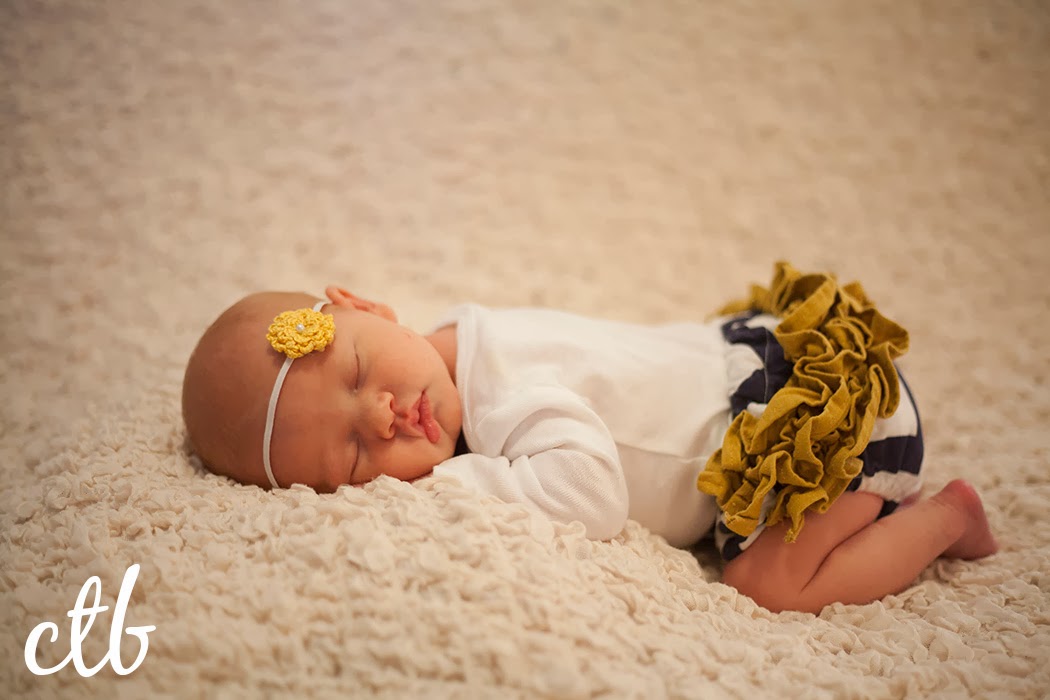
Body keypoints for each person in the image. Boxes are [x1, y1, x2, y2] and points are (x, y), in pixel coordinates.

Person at [182, 263, 998, 614]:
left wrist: (445, 483)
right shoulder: (464, 339)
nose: (384, 414)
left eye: (360, 370)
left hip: (815, 434)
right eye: (357, 455)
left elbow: (593, 496)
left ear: (366, 305)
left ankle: (944, 518)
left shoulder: (501, 388)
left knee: (766, 587)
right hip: (763, 366)